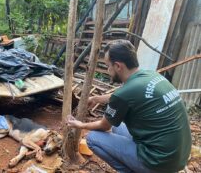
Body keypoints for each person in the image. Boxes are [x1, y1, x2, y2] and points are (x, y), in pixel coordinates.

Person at [67, 40, 191, 173]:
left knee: (92, 138)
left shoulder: (124, 93)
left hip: (158, 161)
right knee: (117, 125)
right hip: (178, 156)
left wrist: (81, 125)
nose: (108, 70)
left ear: (118, 66)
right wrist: (97, 99)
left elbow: (104, 126)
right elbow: (128, 96)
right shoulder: (150, 75)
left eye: (108, 66)